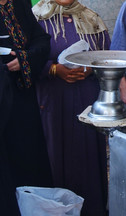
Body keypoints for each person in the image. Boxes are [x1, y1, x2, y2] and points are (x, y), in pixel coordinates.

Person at [32, 0, 110, 215]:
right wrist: (54, 69)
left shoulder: (91, 18)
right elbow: (24, 57)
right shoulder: (35, 18)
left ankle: (91, 209)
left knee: (87, 156)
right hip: (51, 101)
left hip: (87, 99)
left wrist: (91, 68)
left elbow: (106, 56)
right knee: (54, 153)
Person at [0, 0, 53, 214]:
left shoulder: (18, 3)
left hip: (22, 97)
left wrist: (25, 58)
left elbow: (41, 39)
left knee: (27, 155)